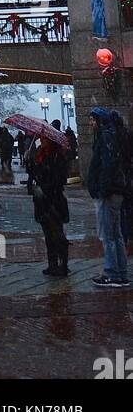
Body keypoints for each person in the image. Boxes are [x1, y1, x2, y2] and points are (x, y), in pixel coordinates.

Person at [87, 107, 130, 288]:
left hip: (109, 192)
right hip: (117, 190)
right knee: (117, 234)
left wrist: (102, 189)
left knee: (109, 235)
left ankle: (112, 273)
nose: (90, 123)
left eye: (92, 120)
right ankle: (120, 272)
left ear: (100, 121)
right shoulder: (112, 135)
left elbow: (107, 165)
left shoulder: (105, 137)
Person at [26, 134, 70, 278]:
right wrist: (28, 162)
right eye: (42, 139)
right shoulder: (39, 154)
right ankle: (52, 264)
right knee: (47, 234)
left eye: (45, 139)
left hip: (54, 200)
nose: (42, 141)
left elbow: (60, 180)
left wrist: (44, 188)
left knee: (57, 234)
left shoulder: (58, 157)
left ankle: (63, 265)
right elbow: (33, 175)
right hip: (41, 202)